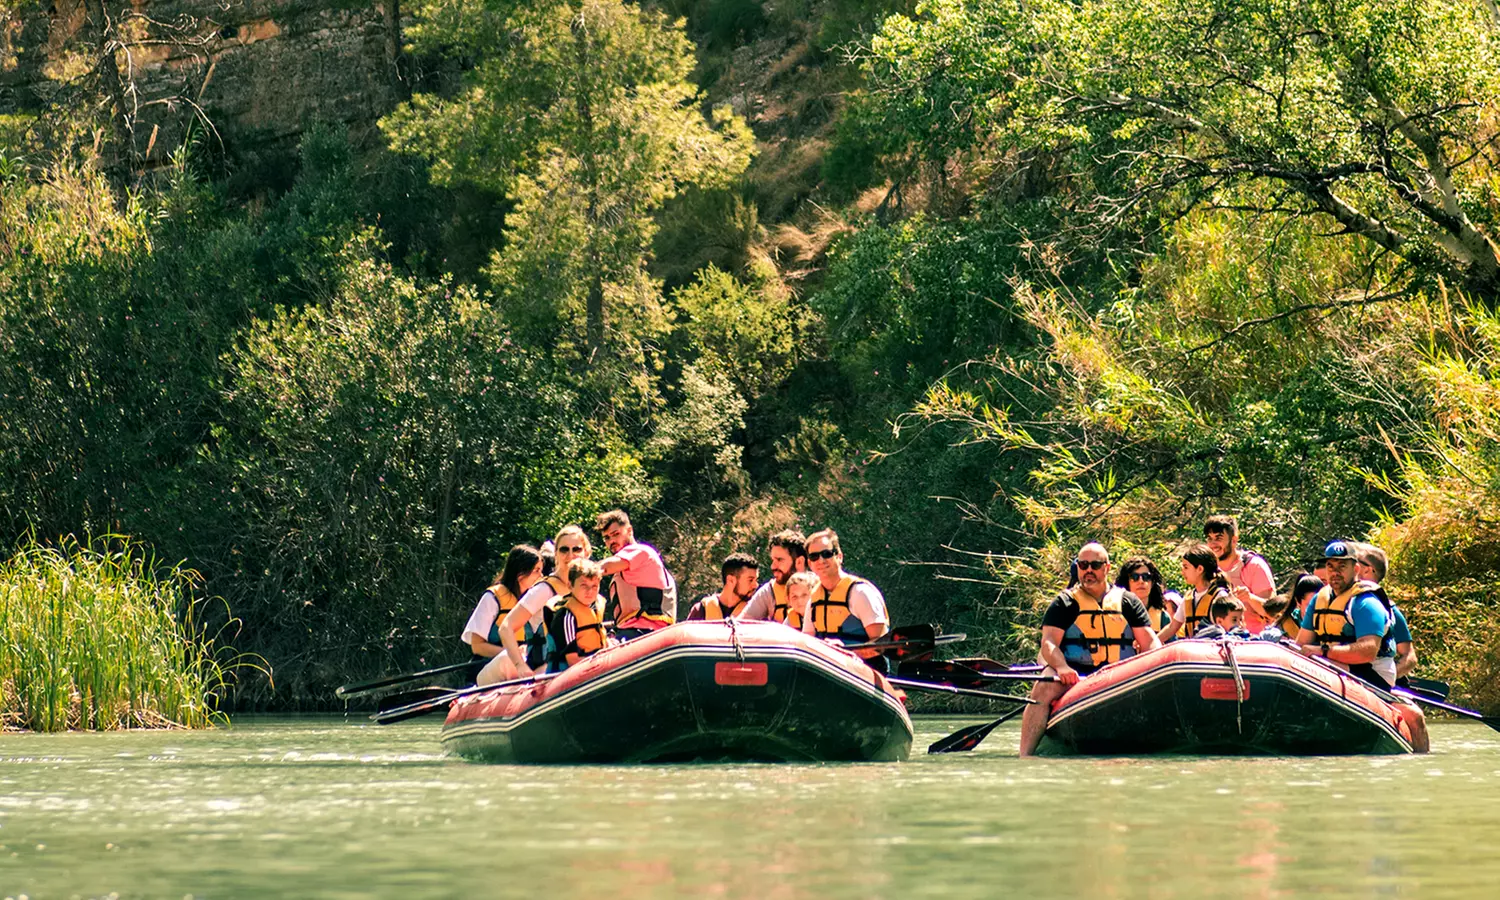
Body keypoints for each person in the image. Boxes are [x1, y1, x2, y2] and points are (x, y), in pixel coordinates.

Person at [1019, 542, 1161, 757]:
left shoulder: (1127, 601)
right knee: (1043, 687)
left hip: (1118, 672)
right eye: (1083, 565)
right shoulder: (1064, 602)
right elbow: (1048, 644)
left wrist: (1151, 667)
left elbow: (1150, 642)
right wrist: (1062, 667)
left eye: (1095, 565)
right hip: (1074, 672)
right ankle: (1025, 755)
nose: (1088, 571)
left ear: (1107, 567)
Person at [1296, 540, 1428, 752]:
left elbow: (1367, 651)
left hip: (1370, 673)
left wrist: (1323, 652)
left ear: (1356, 569)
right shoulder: (1319, 599)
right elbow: (1302, 644)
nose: (1335, 572)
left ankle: (1420, 754)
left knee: (1414, 715)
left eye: (1342, 567)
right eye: (1331, 566)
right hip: (1331, 666)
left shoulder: (1366, 602)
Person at [484, 526, 588, 683]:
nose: (570, 555)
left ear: (586, 553)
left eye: (577, 549)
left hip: (578, 662)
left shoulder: (587, 588)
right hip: (547, 668)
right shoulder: (543, 590)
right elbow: (506, 628)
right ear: (556, 555)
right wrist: (520, 665)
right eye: (564, 550)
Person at [801, 528, 891, 670]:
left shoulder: (860, 593)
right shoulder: (813, 600)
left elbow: (883, 643)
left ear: (839, 557)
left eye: (827, 554)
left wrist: (846, 652)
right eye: (814, 557)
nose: (821, 560)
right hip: (830, 673)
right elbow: (807, 643)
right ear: (810, 564)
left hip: (864, 674)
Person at [597, 509, 676, 639]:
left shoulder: (641, 552)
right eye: (607, 538)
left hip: (645, 633)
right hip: (633, 632)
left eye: (616, 534)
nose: (611, 541)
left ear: (629, 530)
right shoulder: (624, 568)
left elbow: (602, 568)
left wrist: (573, 572)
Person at [461, 544, 544, 663]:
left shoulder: (535, 600)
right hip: (490, 665)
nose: (541, 576)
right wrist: (513, 654)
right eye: (536, 570)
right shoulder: (493, 598)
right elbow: (477, 646)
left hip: (525, 665)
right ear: (520, 572)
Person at [1355, 545, 1417, 683]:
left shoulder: (1389, 610)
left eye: (1355, 562)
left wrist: (1384, 678)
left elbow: (1409, 656)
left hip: (1371, 677)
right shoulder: (1344, 601)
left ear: (1368, 570)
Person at [1204, 515, 1275, 633]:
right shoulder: (1207, 568)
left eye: (1218, 538)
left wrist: (1250, 597)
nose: (1213, 544)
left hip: (1250, 643)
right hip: (1215, 641)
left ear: (1234, 540)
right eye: (1209, 538)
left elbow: (1273, 612)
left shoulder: (1254, 566)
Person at [552, 559, 615, 670]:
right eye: (584, 586)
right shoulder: (567, 616)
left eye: (594, 586)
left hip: (596, 662)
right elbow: (572, 660)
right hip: (573, 671)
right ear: (570, 585)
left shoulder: (596, 606)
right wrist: (601, 665)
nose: (590, 591)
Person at [1159, 543, 1231, 641]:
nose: (1182, 572)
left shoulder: (1219, 596)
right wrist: (1151, 642)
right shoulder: (1189, 597)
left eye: (1186, 567)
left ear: (1200, 569)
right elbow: (1172, 627)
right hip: (1194, 652)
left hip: (1213, 651)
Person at [735, 530, 808, 624]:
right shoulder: (768, 593)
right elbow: (741, 625)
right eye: (773, 560)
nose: (773, 566)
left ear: (799, 562)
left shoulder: (818, 588)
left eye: (779, 560)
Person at [1114, 557, 1176, 638]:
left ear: (1152, 582)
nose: (1141, 581)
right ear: (1127, 582)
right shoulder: (1116, 614)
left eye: (1146, 577)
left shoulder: (1163, 618)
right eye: (1135, 577)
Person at [687, 553, 760, 620]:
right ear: (731, 580)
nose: (755, 585)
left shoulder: (756, 613)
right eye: (750, 580)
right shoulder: (701, 611)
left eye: (756, 580)